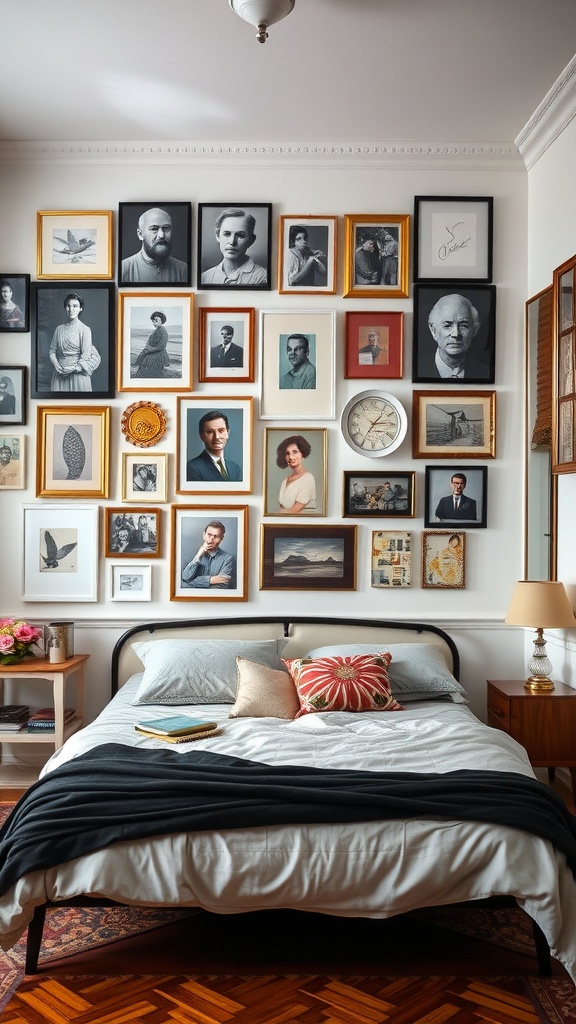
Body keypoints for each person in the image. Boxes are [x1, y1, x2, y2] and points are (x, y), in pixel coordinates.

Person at [421, 293, 488, 379]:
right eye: (447, 326)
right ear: (433, 330)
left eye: (463, 326)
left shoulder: (485, 373)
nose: (456, 334)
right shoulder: (418, 369)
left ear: (475, 330)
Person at [48, 292, 101, 392]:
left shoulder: (85, 329)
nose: (71, 309)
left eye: (75, 306)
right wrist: (57, 365)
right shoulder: (59, 329)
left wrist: (72, 369)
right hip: (60, 375)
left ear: (80, 309)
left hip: (78, 375)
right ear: (65, 308)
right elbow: (52, 351)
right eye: (68, 306)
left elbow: (85, 356)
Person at [201, 208, 267, 286]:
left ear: (251, 240)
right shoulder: (205, 277)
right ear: (218, 236)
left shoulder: (263, 277)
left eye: (240, 235)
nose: (232, 242)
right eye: (227, 234)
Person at [121, 207, 188, 283]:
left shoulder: (182, 269)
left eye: (166, 228)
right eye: (154, 229)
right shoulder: (123, 269)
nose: (161, 235)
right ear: (140, 234)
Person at [186, 410, 242, 482]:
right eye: (210, 432)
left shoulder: (235, 468)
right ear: (201, 436)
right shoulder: (192, 468)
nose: (217, 437)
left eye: (221, 430)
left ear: (228, 433)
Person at [181, 520, 236, 589]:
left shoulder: (228, 559)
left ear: (221, 538)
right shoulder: (191, 554)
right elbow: (184, 578)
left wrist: (192, 582)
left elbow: (221, 586)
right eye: (209, 535)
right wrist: (199, 555)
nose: (211, 539)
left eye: (216, 536)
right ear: (204, 535)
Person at [276, 434, 316, 513]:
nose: (291, 457)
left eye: (295, 452)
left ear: (302, 455)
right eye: (287, 453)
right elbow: (281, 509)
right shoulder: (285, 481)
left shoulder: (308, 479)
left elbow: (293, 511)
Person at [133, 311, 170, 378]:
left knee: (149, 371)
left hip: (157, 354)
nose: (154, 323)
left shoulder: (163, 331)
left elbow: (161, 346)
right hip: (151, 352)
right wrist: (147, 348)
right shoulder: (155, 331)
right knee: (142, 368)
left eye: (156, 321)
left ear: (161, 321)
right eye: (153, 321)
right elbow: (149, 342)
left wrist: (148, 350)